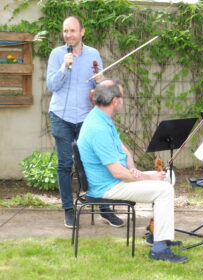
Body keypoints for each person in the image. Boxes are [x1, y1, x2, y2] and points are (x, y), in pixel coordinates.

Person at [77, 79, 188, 263]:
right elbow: (118, 173)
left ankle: (157, 235)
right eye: (122, 96)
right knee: (164, 189)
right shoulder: (97, 128)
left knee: (168, 177)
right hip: (108, 186)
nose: (123, 100)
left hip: (116, 178)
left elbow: (123, 150)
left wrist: (134, 170)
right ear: (115, 101)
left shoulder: (102, 118)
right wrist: (148, 177)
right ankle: (159, 250)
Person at [46, 16, 122, 229]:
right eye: (65, 31)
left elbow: (100, 92)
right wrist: (64, 67)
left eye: (72, 30)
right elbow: (52, 85)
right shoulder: (57, 55)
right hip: (61, 116)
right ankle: (69, 210)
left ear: (82, 32)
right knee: (64, 165)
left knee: (97, 162)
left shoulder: (93, 55)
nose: (68, 34)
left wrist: (101, 82)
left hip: (87, 119)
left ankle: (104, 209)